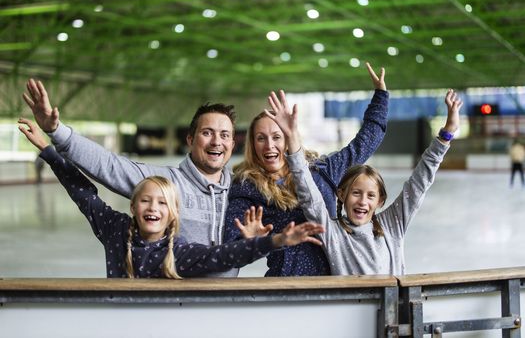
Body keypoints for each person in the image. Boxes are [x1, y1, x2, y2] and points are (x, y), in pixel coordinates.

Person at [18, 118, 325, 279]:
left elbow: (222, 257)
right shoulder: (117, 230)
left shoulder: (177, 252)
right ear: (133, 203)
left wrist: (272, 242)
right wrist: (50, 147)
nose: (153, 208)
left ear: (173, 213)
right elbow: (86, 195)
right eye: (147, 201)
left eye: (163, 203)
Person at [23, 80, 237, 276]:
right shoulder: (163, 183)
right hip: (175, 303)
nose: (217, 141)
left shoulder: (243, 190)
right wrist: (56, 131)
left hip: (224, 306)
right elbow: (109, 165)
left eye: (224, 135)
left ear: (232, 144)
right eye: (207, 132)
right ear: (190, 139)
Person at [224, 62, 389, 276]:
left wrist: (381, 97)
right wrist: (253, 242)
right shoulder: (248, 187)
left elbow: (365, 143)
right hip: (288, 287)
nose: (269, 145)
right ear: (252, 145)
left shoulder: (322, 170)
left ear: (289, 137)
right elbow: (231, 241)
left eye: (277, 136)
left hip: (338, 280)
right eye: (261, 138)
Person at [292, 89, 462, 275]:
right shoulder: (333, 233)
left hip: (392, 304)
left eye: (371, 195)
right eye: (356, 193)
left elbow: (418, 184)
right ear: (341, 194)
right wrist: (292, 141)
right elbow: (309, 197)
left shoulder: (391, 225)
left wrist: (447, 133)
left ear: (380, 201)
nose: (363, 201)